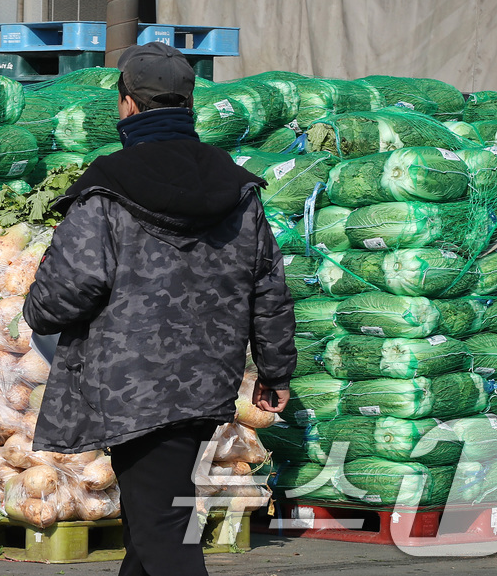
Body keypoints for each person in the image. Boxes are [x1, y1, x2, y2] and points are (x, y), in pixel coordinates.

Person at [21, 42, 296, 576]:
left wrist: (36, 313)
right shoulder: (236, 187)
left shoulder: (107, 186)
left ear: (127, 105)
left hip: (130, 385)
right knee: (152, 521)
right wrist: (275, 368)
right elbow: (268, 285)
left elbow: (68, 288)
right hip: (206, 379)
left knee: (165, 531)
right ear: (188, 105)